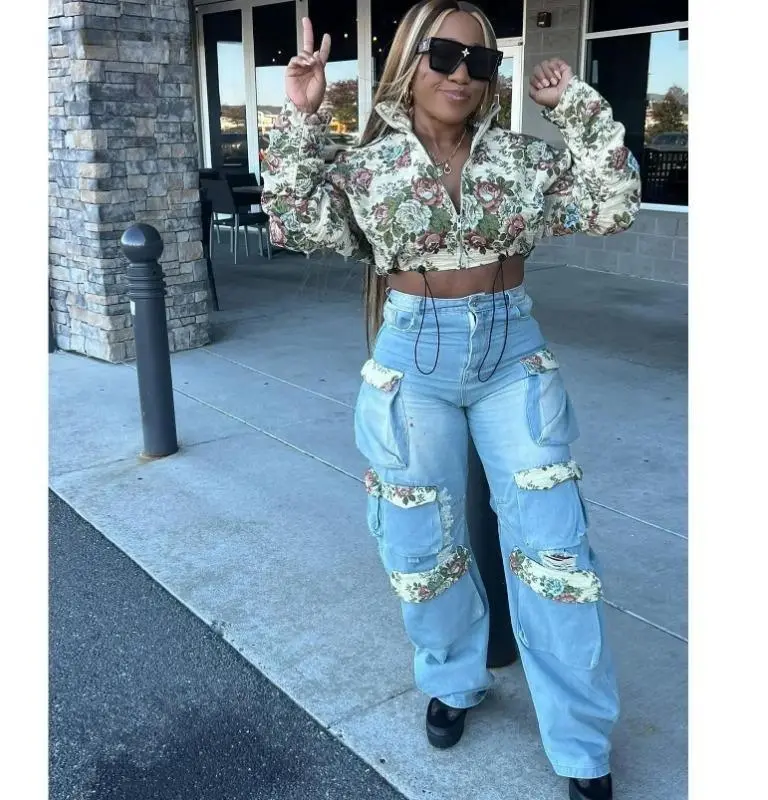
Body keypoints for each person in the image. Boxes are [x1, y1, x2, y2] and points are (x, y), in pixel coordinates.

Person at [261, 2, 641, 798]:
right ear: (410, 62)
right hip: (412, 357)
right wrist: (302, 115)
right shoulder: (369, 166)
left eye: (481, 60)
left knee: (555, 549)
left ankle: (580, 743)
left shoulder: (521, 159)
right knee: (420, 545)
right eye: (444, 55)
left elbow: (613, 204)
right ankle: (452, 678)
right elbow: (297, 223)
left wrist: (574, 105)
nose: (462, 73)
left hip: (512, 353)